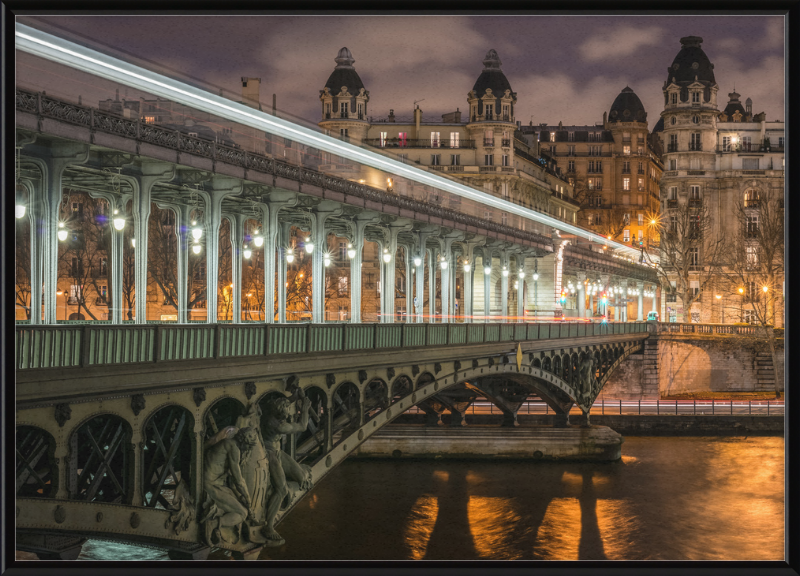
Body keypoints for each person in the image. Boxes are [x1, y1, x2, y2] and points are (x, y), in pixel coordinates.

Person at [261, 395, 314, 543]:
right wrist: (304, 409)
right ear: (279, 413)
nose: (288, 414)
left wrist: (296, 396)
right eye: (285, 412)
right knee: (282, 489)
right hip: (268, 453)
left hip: (278, 451)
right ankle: (269, 526)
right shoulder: (278, 425)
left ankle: (298, 472)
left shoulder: (270, 410)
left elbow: (280, 403)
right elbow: (303, 426)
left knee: (302, 478)